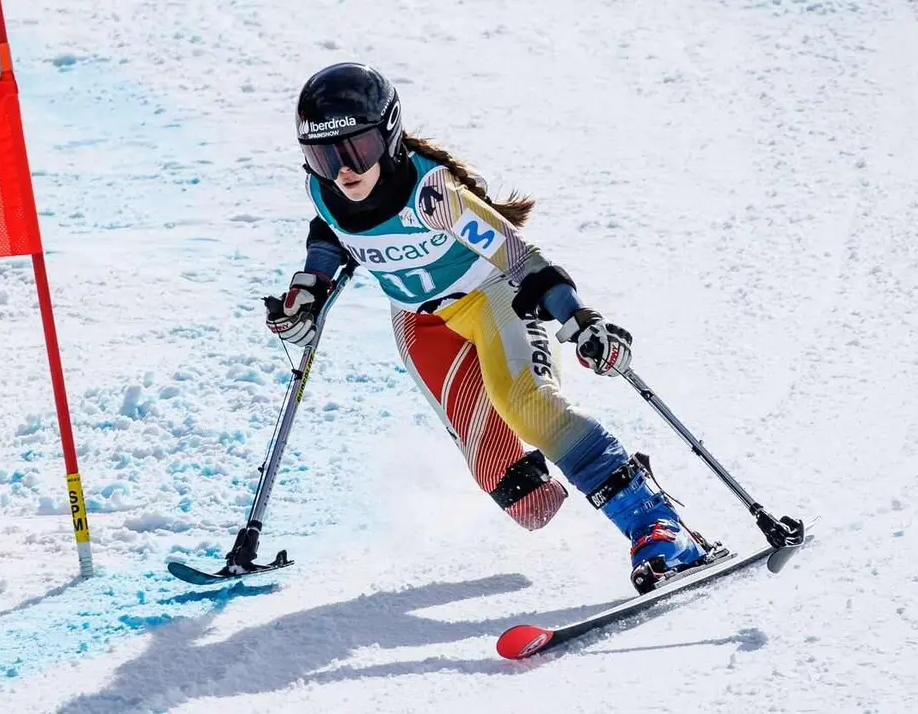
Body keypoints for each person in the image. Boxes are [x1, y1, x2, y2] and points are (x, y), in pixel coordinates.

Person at [266, 62, 722, 593]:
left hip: (492, 298)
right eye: (324, 155)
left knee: (528, 407)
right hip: (421, 321)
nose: (343, 170)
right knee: (519, 495)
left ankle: (660, 528)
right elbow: (331, 229)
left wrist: (578, 317)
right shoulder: (323, 187)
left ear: (388, 133)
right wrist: (309, 292)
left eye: (356, 150)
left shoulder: (433, 194)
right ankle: (559, 499)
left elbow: (520, 258)